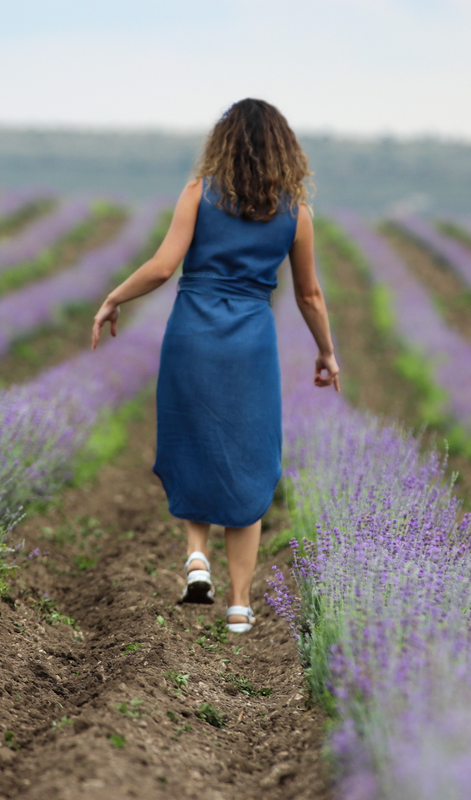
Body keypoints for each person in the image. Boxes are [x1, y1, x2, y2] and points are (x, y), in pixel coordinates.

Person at [91, 99, 340, 634]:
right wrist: (326, 351)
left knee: (192, 444)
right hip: (251, 344)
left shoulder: (198, 193)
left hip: (192, 336)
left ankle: (197, 556)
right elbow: (310, 295)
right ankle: (240, 605)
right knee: (249, 460)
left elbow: (162, 267)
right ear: (284, 151)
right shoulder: (296, 214)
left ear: (223, 144)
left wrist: (114, 297)